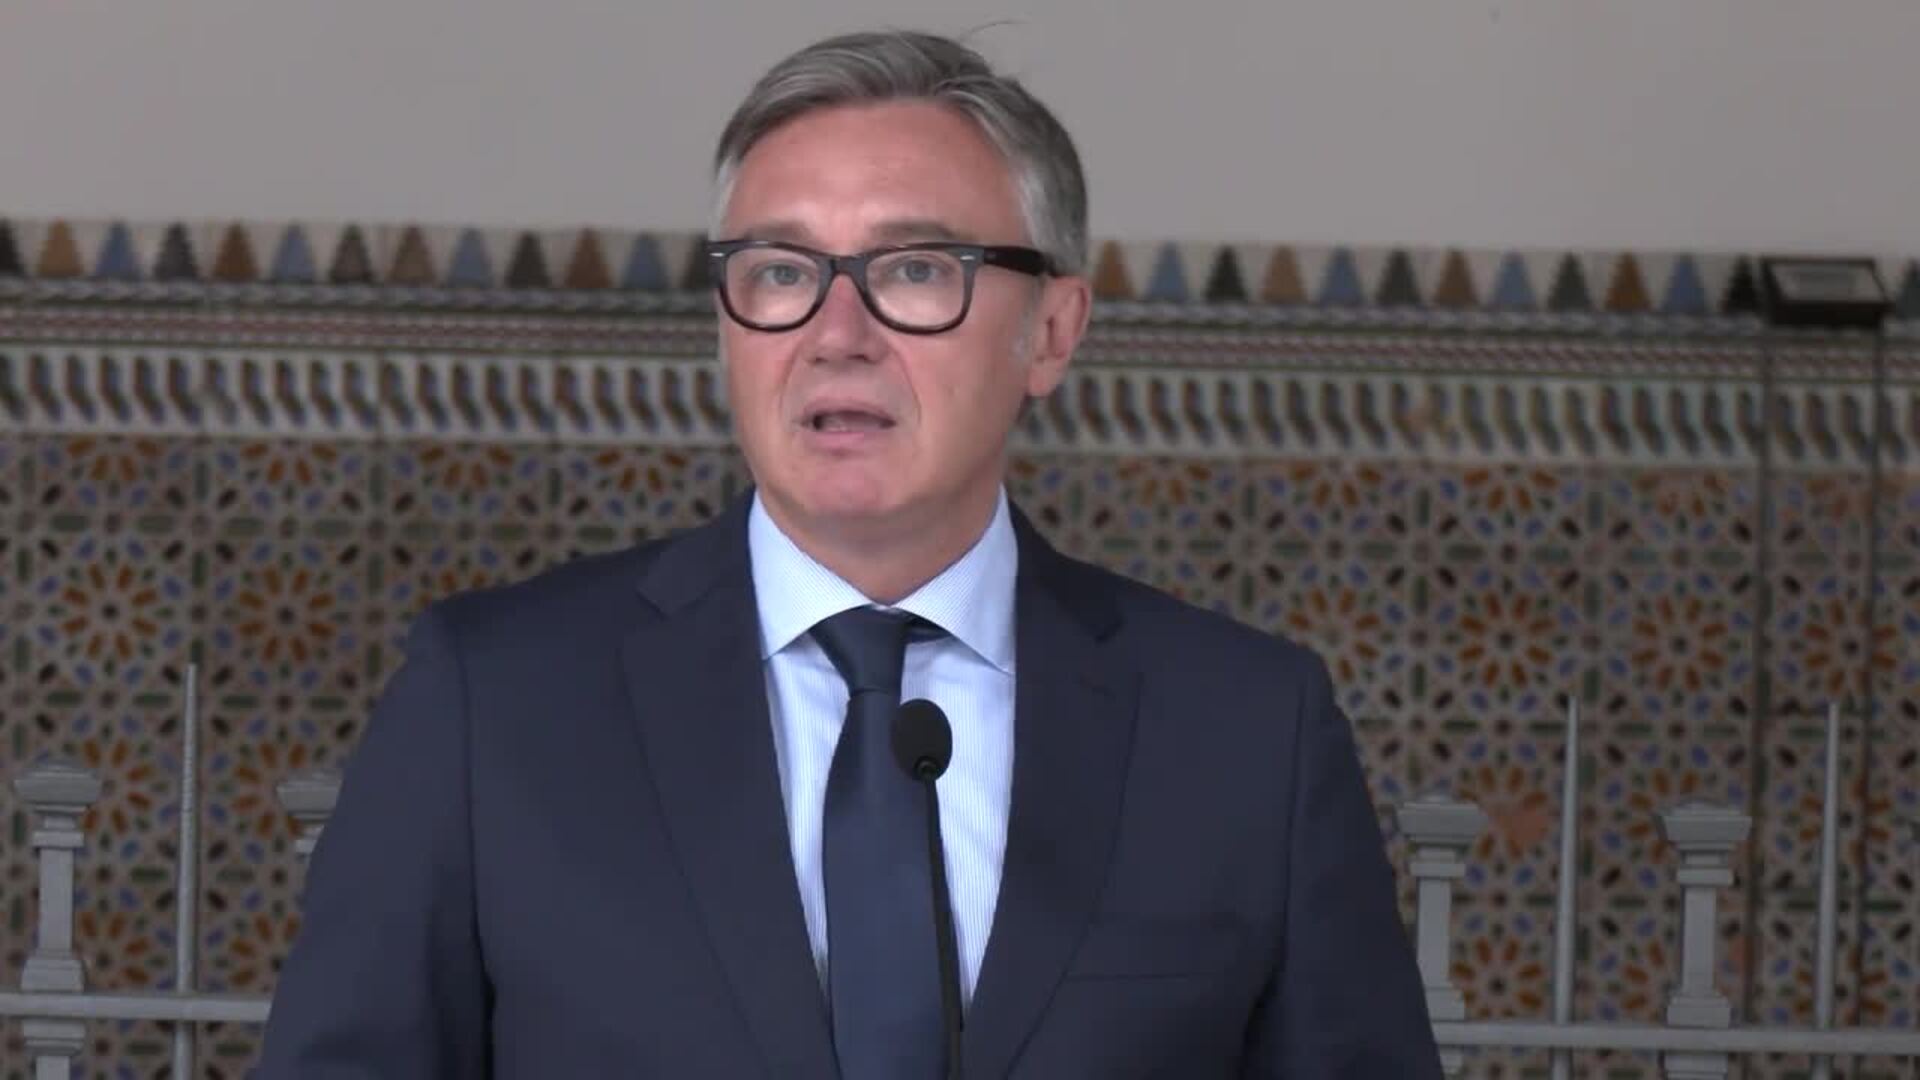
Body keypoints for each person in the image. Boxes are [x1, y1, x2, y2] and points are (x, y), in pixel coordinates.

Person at [256, 29, 1441, 1079]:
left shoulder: (1245, 734)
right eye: (780, 272)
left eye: (914, 270)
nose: (836, 334)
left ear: (1052, 331)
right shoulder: (495, 703)